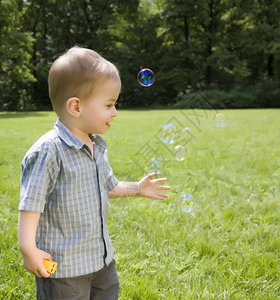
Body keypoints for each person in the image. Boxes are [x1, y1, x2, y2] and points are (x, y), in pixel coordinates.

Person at [18, 46, 170, 300]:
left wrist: (136, 189)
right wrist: (28, 248)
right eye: (109, 104)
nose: (115, 112)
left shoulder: (96, 144)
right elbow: (30, 204)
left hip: (100, 259)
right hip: (64, 267)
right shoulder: (49, 151)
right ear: (76, 107)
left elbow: (108, 186)